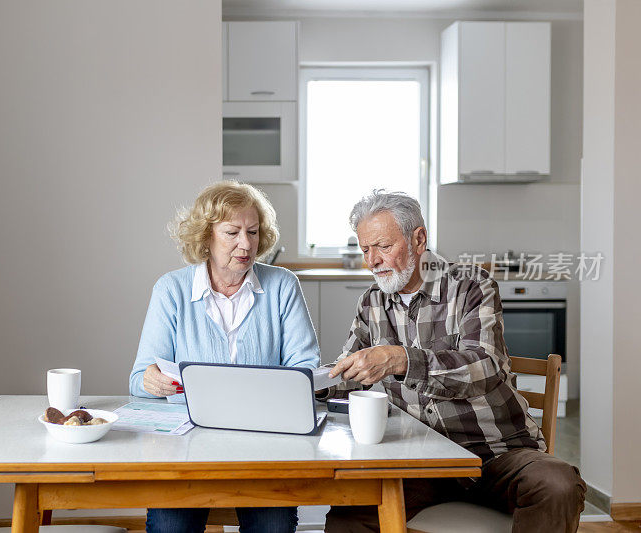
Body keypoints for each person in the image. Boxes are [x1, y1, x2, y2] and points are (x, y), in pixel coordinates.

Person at [318, 189, 585, 533]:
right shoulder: (372, 303)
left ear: (419, 239)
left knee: (558, 484)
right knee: (349, 512)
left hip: (496, 453)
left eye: (383, 246)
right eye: (365, 249)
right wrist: (311, 383)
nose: (373, 261)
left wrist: (400, 359)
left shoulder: (471, 285)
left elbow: (485, 367)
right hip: (420, 461)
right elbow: (351, 372)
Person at [129, 180, 319, 533]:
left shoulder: (283, 285)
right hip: (185, 447)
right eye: (232, 232)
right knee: (170, 528)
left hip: (266, 444)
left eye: (253, 231)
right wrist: (151, 380)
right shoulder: (171, 289)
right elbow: (139, 378)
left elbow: (305, 368)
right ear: (206, 237)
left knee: (274, 528)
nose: (245, 244)